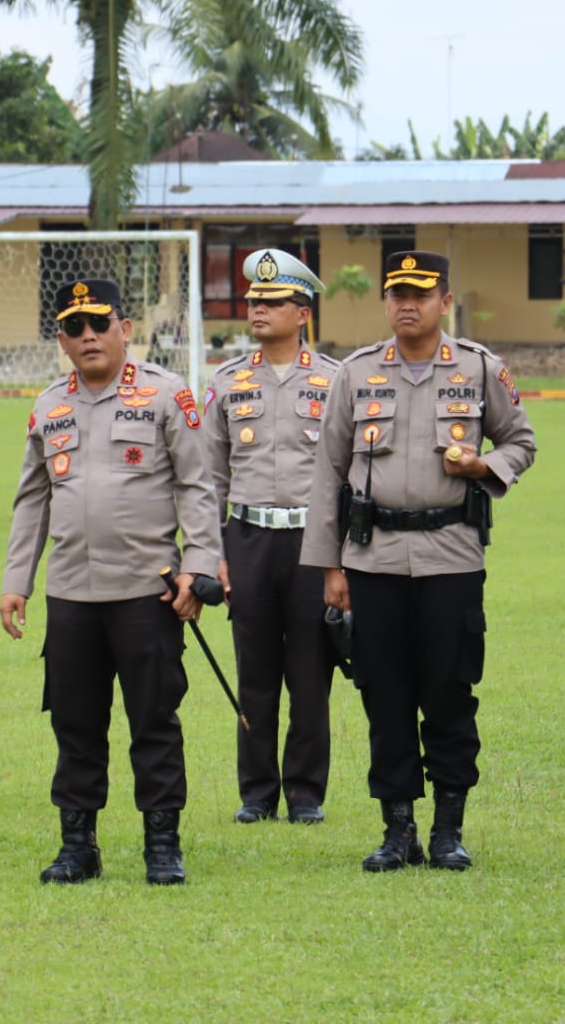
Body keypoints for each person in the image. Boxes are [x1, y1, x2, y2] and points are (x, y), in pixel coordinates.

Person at [300, 251, 536, 872]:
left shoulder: (481, 368)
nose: (407, 303)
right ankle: (397, 828)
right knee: (385, 693)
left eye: (421, 293)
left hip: (451, 557)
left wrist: (485, 467)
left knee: (450, 690)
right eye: (397, 292)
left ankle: (448, 830)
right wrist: (330, 567)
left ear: (444, 300)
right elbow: (327, 473)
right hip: (372, 559)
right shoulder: (354, 375)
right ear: (385, 300)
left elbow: (522, 441)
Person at [0, 278, 222, 885]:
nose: (88, 335)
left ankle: (162, 844)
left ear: (125, 328)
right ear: (61, 339)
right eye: (75, 327)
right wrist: (16, 580)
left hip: (146, 592)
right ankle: (78, 846)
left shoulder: (165, 394)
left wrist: (198, 566)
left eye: (99, 322)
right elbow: (31, 501)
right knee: (74, 722)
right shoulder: (49, 405)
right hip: (71, 594)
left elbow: (196, 486)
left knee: (154, 719)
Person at [202, 249, 340, 825]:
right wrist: (215, 554)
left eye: (272, 301)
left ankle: (305, 793)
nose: (257, 310)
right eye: (254, 301)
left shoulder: (336, 380)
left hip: (313, 542)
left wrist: (343, 559)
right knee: (255, 674)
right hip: (249, 539)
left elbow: (350, 473)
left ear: (302, 311)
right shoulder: (228, 381)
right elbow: (207, 476)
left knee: (311, 676)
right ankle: (257, 792)